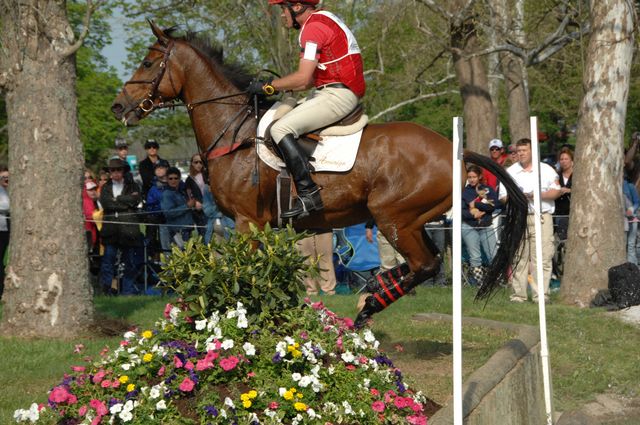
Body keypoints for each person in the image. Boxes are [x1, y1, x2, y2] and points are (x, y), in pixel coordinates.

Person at [248, 0, 365, 220]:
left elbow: (302, 78)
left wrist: (269, 86)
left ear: (298, 7)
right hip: (332, 90)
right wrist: (275, 86)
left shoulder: (312, 28)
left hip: (337, 95)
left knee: (280, 129)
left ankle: (309, 193)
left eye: (283, 8)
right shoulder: (321, 21)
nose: (282, 15)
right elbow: (308, 81)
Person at [499, 138, 561, 303]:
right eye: (518, 151)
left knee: (543, 257)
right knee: (519, 257)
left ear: (533, 151)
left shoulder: (546, 170)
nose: (521, 154)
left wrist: (536, 195)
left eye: (524, 150)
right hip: (518, 218)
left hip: (542, 217)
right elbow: (503, 197)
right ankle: (518, 295)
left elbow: (556, 192)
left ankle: (541, 295)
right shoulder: (510, 172)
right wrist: (517, 198)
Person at [99, 159, 144, 295]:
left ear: (123, 171)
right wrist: (125, 202)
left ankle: (128, 291)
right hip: (111, 231)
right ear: (110, 172)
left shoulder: (133, 186)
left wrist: (117, 199)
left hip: (128, 230)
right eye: (113, 170)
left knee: (129, 262)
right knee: (108, 262)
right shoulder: (106, 187)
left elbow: (135, 200)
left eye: (119, 170)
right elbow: (107, 204)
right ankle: (108, 291)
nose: (116, 173)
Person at [462, 165, 498, 285]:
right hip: (469, 226)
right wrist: (473, 215)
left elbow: (493, 206)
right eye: (469, 177)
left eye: (474, 177)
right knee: (475, 257)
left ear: (480, 176)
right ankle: (479, 283)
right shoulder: (463, 191)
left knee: (492, 254)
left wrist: (475, 205)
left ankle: (495, 281)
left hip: (486, 225)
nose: (472, 179)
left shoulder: (488, 189)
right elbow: (461, 210)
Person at [161, 167, 196, 247]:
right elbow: (168, 213)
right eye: (170, 178)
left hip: (187, 229)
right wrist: (187, 206)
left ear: (179, 179)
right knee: (183, 255)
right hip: (177, 231)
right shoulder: (167, 194)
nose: (173, 181)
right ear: (167, 179)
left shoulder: (183, 191)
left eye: (176, 178)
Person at [145, 163, 171, 256]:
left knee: (181, 246)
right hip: (162, 222)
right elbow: (150, 207)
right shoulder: (153, 189)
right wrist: (162, 207)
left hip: (178, 221)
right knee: (166, 249)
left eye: (162, 168)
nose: (159, 170)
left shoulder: (175, 183)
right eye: (157, 168)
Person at [185, 154, 207, 236]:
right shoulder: (189, 179)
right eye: (196, 162)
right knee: (203, 232)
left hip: (210, 207)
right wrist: (195, 202)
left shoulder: (207, 176)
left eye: (201, 162)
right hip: (198, 209)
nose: (198, 165)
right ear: (192, 164)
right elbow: (189, 194)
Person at [554, 147, 573, 241]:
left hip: (572, 212)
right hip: (559, 212)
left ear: (571, 160)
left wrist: (569, 190)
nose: (564, 161)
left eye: (566, 159)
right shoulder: (556, 175)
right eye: (561, 159)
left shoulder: (577, 175)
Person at [623, 172, 639, 264]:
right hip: (621, 221)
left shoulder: (630, 186)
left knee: (631, 245)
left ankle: (633, 270)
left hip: (632, 220)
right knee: (623, 245)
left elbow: (637, 201)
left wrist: (632, 209)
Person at [0, 166, 9, 300]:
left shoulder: (6, 191)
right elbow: (6, 206)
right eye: (3, 177)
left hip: (4, 229)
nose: (6, 179)